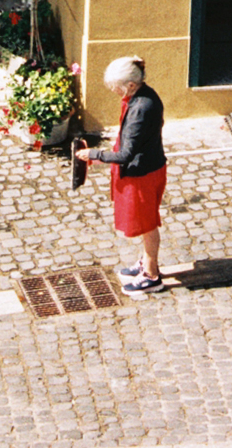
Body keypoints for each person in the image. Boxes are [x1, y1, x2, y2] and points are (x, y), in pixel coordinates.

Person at [76, 55, 167, 294]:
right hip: (149, 167)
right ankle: (147, 262)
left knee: (147, 225)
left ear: (131, 85)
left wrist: (94, 154)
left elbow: (126, 154)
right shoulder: (146, 95)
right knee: (147, 222)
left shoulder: (140, 109)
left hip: (142, 175)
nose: (114, 91)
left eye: (116, 87)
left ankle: (152, 275)